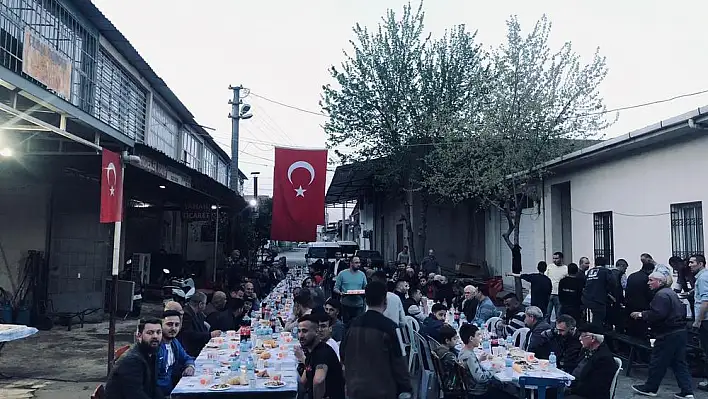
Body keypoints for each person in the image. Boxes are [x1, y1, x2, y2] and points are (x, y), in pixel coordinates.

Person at [340, 281, 412, 399]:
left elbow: (342, 355)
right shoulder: (391, 327)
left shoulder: (351, 325)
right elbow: (399, 362)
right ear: (385, 300)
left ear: (365, 300)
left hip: (355, 389)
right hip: (382, 391)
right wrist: (406, 389)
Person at [630, 272, 694, 398]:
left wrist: (641, 314)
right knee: (679, 362)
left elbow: (658, 314)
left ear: (659, 282)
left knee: (658, 362)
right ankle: (687, 391)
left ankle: (650, 388)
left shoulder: (661, 295)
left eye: (651, 280)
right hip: (680, 331)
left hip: (667, 333)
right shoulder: (670, 293)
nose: (648, 283)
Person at [105, 318, 164, 399]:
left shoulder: (152, 354)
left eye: (158, 332)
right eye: (150, 333)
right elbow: (135, 395)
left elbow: (154, 388)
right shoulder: (132, 361)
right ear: (139, 336)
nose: (155, 336)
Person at [294, 314, 345, 399]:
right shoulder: (311, 352)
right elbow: (303, 381)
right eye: (299, 331)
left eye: (305, 331)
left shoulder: (323, 353)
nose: (301, 336)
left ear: (317, 332)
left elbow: (318, 380)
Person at [458, 323, 514, 398]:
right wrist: (494, 369)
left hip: (470, 387)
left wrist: (479, 360)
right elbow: (481, 378)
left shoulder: (463, 351)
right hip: (478, 392)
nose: (480, 337)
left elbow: (470, 367)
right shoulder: (469, 356)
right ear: (471, 338)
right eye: (478, 335)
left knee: (499, 384)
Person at [565, 324, 619, 399]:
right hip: (577, 388)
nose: (580, 339)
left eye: (582, 336)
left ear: (593, 338)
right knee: (550, 391)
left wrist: (570, 389)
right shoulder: (588, 350)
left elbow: (594, 387)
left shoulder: (604, 359)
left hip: (589, 395)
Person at [156, 310, 195, 396]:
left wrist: (190, 366)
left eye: (176, 325)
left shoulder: (174, 342)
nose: (173, 328)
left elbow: (187, 358)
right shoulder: (155, 346)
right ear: (160, 325)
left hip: (171, 391)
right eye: (169, 324)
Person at [178, 292, 221, 357]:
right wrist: (210, 335)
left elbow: (202, 329)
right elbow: (190, 335)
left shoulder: (199, 314)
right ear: (200, 304)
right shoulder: (186, 315)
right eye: (205, 304)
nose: (205, 306)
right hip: (191, 351)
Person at [689, 254, 708, 392]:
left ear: (700, 264)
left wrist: (698, 321)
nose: (689, 265)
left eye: (692, 262)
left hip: (706, 320)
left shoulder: (702, 278)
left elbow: (705, 301)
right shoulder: (703, 277)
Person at [333, 256, 368, 326]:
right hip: (346, 304)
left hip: (358, 305)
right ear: (351, 263)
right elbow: (335, 288)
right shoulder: (342, 274)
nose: (359, 264)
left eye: (359, 263)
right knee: (346, 325)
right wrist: (340, 293)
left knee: (358, 325)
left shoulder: (362, 274)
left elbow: (366, 288)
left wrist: (364, 292)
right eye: (356, 263)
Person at [624, 259, 654, 339]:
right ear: (650, 270)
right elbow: (649, 293)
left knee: (631, 329)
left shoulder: (631, 276)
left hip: (630, 305)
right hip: (642, 306)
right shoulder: (647, 278)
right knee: (641, 330)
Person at [581, 257, 615, 328]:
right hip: (598, 299)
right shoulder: (606, 271)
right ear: (605, 264)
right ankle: (597, 335)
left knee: (589, 320)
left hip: (586, 299)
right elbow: (612, 283)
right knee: (599, 320)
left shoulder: (590, 271)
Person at [432, 324, 462, 392]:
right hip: (452, 383)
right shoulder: (449, 356)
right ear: (447, 341)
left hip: (443, 379)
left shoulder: (438, 349)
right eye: (454, 339)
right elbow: (462, 368)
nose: (457, 341)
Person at [547, 251, 568, 322]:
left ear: (561, 259)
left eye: (556, 258)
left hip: (559, 294)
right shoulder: (549, 267)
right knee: (547, 314)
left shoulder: (565, 268)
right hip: (549, 293)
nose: (554, 260)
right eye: (553, 258)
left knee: (558, 314)